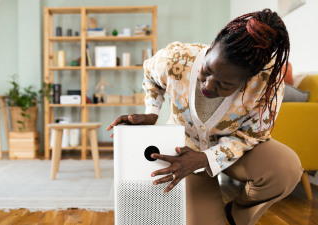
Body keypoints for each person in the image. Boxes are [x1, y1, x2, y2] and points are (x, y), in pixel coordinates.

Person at [106, 9, 303, 225]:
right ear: (211, 47)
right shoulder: (177, 59)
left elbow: (251, 136)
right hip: (185, 153)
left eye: (224, 84)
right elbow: (150, 74)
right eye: (207, 70)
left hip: (235, 151)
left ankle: (234, 217)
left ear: (248, 79)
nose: (208, 85)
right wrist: (152, 112)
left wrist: (206, 158)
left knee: (286, 170)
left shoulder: (265, 84)